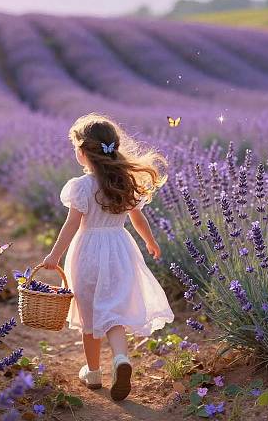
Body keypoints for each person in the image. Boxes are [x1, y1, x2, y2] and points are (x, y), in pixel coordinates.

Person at [42, 113, 174, 401]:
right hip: (119, 250)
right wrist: (150, 241)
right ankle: (120, 358)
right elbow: (138, 219)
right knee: (111, 310)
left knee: (89, 315)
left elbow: (71, 225)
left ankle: (92, 372)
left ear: (81, 152)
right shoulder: (123, 182)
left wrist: (54, 255)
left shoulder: (81, 187)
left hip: (87, 252)